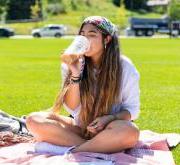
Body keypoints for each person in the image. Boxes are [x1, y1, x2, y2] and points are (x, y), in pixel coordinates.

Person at [26, 16, 140, 153]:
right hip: (81, 127)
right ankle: (97, 146)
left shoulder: (124, 66)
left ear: (107, 39)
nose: (85, 39)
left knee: (131, 132)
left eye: (92, 35)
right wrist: (75, 73)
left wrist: (109, 118)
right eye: (82, 35)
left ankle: (68, 150)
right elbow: (72, 108)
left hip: (112, 126)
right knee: (33, 120)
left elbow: (132, 110)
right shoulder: (71, 63)